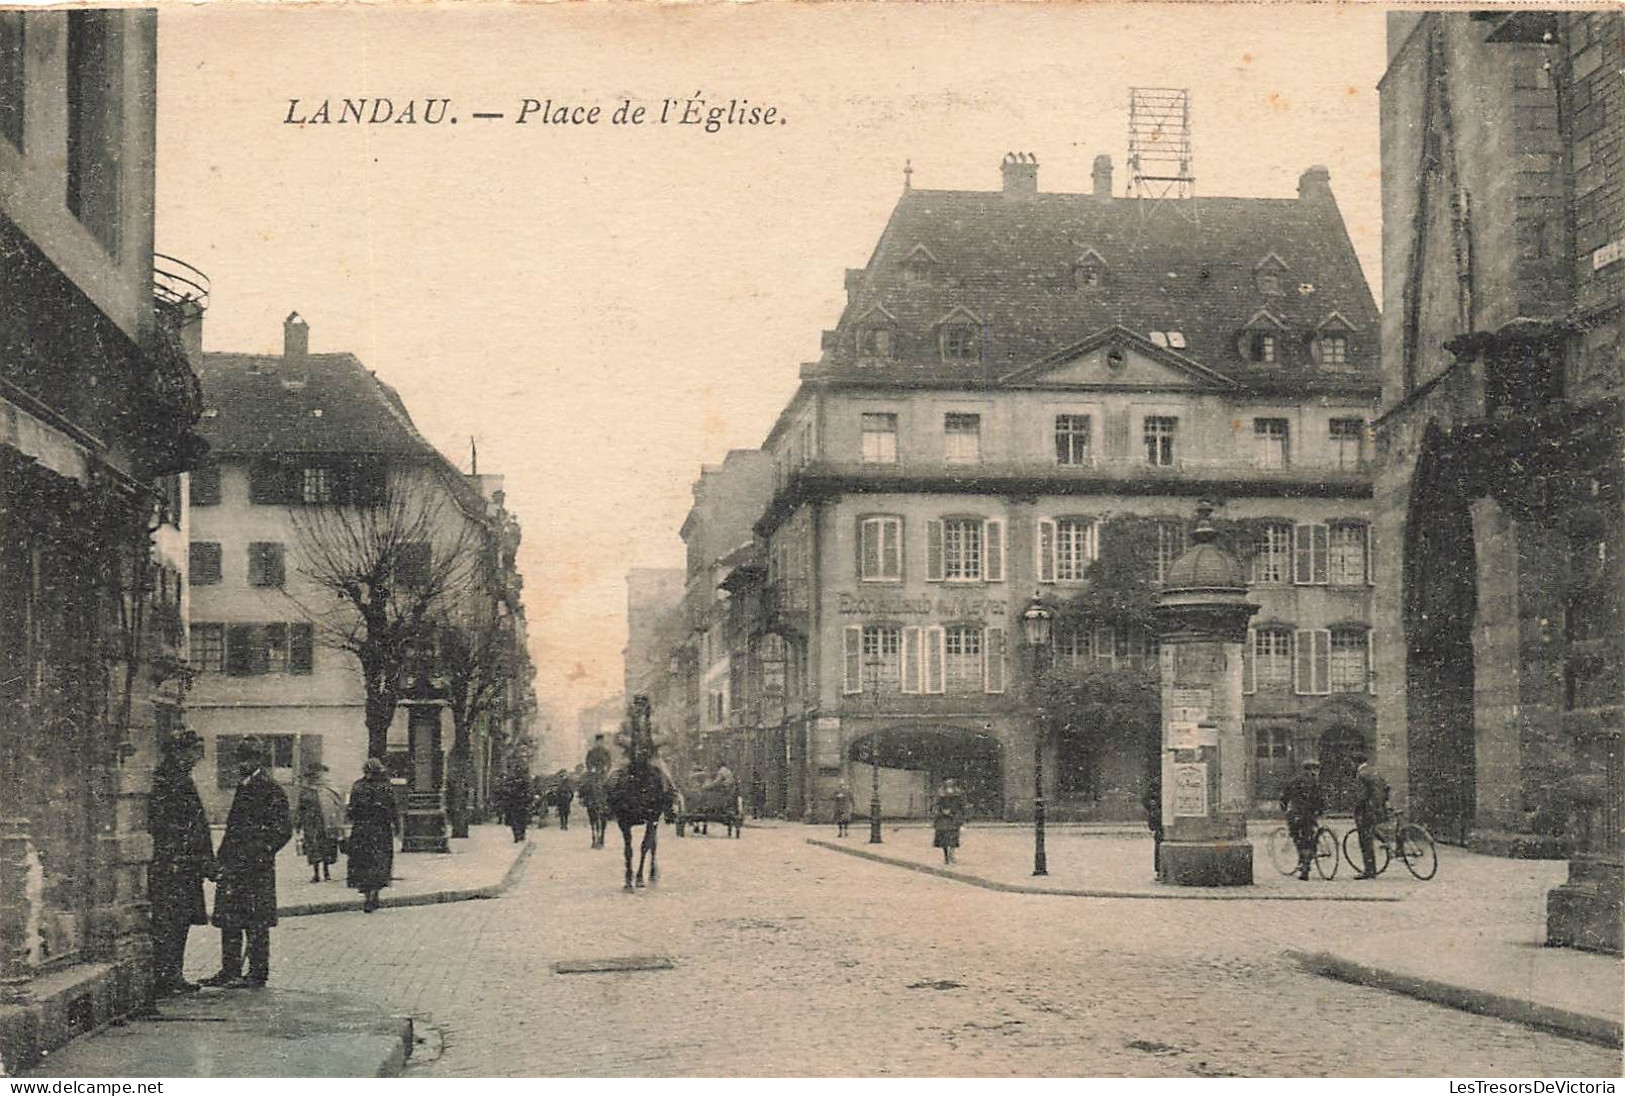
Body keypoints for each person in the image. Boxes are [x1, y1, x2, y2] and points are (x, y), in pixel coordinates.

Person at [202, 737, 291, 989]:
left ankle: (256, 973)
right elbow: (233, 831)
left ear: (257, 760)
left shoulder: (270, 788)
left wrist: (260, 854)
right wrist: (221, 860)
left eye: (247, 758)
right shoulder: (244, 786)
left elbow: (283, 830)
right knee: (230, 920)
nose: (242, 763)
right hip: (233, 866)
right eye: (240, 758)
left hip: (255, 869)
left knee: (256, 922)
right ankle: (229, 971)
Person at [148, 729, 215, 998]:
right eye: (192, 752)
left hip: (186, 864)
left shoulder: (179, 777)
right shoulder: (168, 780)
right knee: (171, 921)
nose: (196, 758)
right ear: (178, 752)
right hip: (175, 864)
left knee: (180, 920)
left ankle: (173, 973)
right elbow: (166, 824)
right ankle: (167, 976)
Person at [347, 758, 397, 913]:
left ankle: (368, 894)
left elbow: (351, 811)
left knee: (363, 861)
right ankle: (374, 893)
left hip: (361, 830)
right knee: (379, 862)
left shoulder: (358, 786)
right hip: (381, 831)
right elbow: (393, 809)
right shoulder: (386, 787)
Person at [295, 761, 345, 883]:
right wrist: (298, 823)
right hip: (311, 823)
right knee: (313, 847)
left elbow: (338, 805)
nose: (315, 777)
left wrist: (338, 822)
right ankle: (316, 873)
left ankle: (326, 872)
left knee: (327, 845)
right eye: (312, 775)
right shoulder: (306, 791)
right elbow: (300, 807)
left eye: (317, 774)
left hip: (326, 822)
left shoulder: (330, 788)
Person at [1279, 759, 1327, 881]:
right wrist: (1320, 811)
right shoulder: (1315, 782)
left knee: (1297, 837)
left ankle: (1303, 861)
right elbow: (1320, 799)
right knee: (1308, 838)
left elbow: (1284, 798)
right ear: (1313, 770)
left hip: (1294, 814)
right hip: (1309, 815)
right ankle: (1306, 863)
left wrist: (1284, 810)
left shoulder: (1293, 780)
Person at [1352, 757, 1390, 879]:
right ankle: (1386, 843)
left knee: (1365, 841)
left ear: (1355, 763)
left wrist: (1357, 810)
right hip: (1379, 809)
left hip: (1367, 811)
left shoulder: (1361, 775)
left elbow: (1361, 796)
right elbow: (1386, 787)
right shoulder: (1375, 771)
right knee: (1372, 832)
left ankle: (1369, 870)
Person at [932, 778, 966, 865]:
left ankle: (951, 854)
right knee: (944, 838)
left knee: (953, 838)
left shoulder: (958, 793)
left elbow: (962, 806)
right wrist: (941, 812)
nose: (949, 785)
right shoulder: (940, 793)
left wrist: (961, 818)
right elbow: (936, 805)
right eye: (948, 783)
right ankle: (946, 857)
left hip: (954, 818)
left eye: (951, 783)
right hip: (943, 818)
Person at [499, 769, 533, 842]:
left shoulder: (521, 783)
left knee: (518, 821)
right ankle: (519, 835)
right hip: (517, 805)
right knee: (519, 821)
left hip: (517, 805)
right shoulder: (517, 783)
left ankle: (519, 835)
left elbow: (529, 794)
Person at [1141, 770, 1164, 877]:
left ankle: (1160, 869)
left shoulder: (1157, 782)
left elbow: (1146, 800)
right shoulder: (1157, 783)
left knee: (1159, 841)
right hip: (1160, 818)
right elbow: (1146, 800)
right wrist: (1155, 810)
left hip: (1160, 817)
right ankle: (1160, 869)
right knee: (1159, 841)